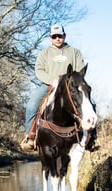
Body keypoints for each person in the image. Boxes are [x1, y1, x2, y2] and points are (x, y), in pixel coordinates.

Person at [20, 24, 97, 152]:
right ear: (50, 37)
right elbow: (39, 70)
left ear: (64, 36)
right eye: (54, 36)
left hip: (70, 87)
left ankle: (92, 137)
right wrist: (52, 81)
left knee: (92, 103)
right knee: (31, 105)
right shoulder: (44, 53)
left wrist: (72, 83)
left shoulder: (74, 52)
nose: (57, 39)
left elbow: (79, 71)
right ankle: (31, 136)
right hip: (48, 85)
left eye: (59, 36)